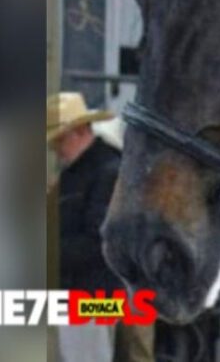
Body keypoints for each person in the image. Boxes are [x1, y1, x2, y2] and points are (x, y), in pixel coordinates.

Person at [48, 92, 154, 362]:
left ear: (79, 131)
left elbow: (98, 243)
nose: (56, 148)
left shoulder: (106, 171)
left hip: (96, 292)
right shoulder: (80, 172)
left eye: (59, 139)